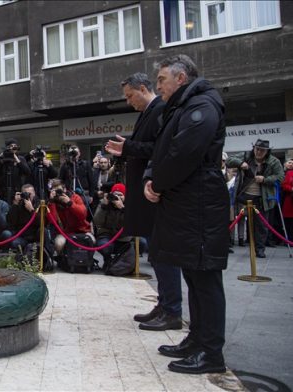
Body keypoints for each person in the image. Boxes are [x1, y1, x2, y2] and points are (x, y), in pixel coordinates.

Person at [143, 54, 229, 374]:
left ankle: (211, 354)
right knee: (193, 276)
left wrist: (158, 182)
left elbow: (183, 153)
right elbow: (163, 149)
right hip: (188, 207)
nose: (158, 87)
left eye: (162, 80)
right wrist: (152, 179)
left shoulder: (202, 105)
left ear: (181, 78)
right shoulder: (183, 106)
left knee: (205, 279)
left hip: (201, 208)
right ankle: (197, 340)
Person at [106, 72, 183, 332]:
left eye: (130, 96)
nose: (129, 102)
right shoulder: (148, 112)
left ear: (141, 88)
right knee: (157, 252)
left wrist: (128, 148)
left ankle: (172, 310)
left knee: (163, 254)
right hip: (145, 193)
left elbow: (158, 148)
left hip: (154, 194)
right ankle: (164, 304)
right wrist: (126, 148)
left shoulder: (160, 109)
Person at [226, 139, 284, 258]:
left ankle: (260, 249)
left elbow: (280, 177)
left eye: (262, 150)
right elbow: (228, 160)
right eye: (257, 149)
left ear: (267, 151)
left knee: (261, 225)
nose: (258, 152)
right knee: (233, 220)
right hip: (242, 195)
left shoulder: (274, 161)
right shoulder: (246, 155)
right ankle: (229, 243)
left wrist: (265, 179)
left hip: (262, 198)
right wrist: (240, 163)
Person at [47, 179, 93, 255]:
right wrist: (51, 202)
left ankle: (87, 262)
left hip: (82, 230)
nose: (58, 194)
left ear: (65, 190)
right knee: (59, 244)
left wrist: (70, 203)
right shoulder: (52, 203)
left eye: (60, 191)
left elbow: (83, 214)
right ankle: (62, 260)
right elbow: (53, 221)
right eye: (55, 191)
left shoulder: (75, 197)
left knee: (92, 241)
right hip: (64, 232)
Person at [93, 183, 126, 269]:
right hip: (106, 235)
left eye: (120, 195)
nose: (117, 197)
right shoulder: (104, 204)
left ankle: (121, 262)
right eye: (115, 194)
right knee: (106, 247)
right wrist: (103, 207)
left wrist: (123, 209)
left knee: (141, 243)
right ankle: (108, 260)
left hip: (123, 236)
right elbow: (97, 222)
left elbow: (131, 223)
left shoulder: (128, 205)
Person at [0, 138, 31, 204]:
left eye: (14, 146)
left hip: (16, 192)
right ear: (7, 148)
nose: (13, 148)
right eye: (10, 146)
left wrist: (18, 161)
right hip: (3, 192)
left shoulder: (20, 158)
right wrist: (1, 161)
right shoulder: (1, 158)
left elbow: (27, 172)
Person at [282, 159, 293, 240]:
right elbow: (285, 185)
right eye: (289, 162)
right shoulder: (289, 173)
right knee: (289, 222)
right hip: (290, 200)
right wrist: (292, 189)